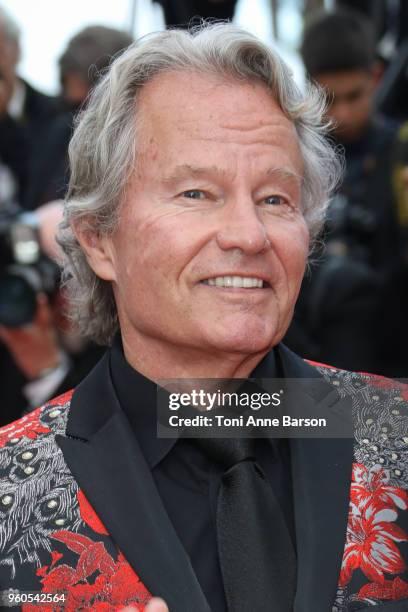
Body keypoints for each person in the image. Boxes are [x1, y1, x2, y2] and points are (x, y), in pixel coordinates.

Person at [0, 23, 407, 612]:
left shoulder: (396, 433)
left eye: (275, 199)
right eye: (196, 194)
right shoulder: (11, 491)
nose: (248, 234)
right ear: (98, 240)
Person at [285, 7, 407, 376]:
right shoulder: (290, 155)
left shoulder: (400, 154)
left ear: (377, 76)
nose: (345, 114)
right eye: (330, 99)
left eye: (355, 96)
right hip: (305, 348)